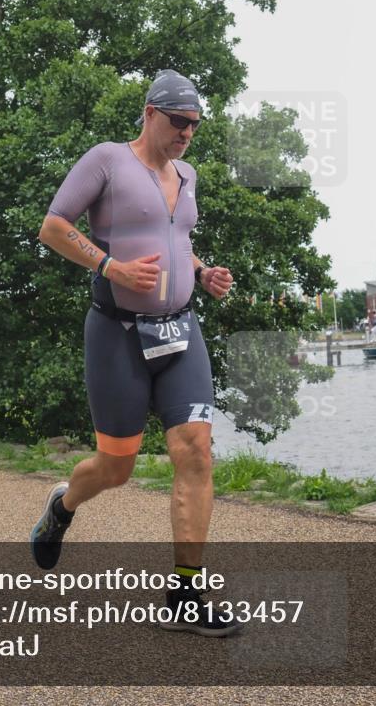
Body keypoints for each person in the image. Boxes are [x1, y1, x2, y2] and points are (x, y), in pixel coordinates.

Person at [32, 70, 239, 637]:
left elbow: (179, 237)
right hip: (118, 334)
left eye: (195, 126)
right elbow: (53, 226)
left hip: (181, 331)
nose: (187, 134)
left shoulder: (188, 174)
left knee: (195, 449)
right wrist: (108, 265)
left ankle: (185, 594)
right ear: (150, 113)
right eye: (179, 122)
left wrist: (202, 272)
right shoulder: (107, 161)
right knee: (116, 467)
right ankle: (62, 505)